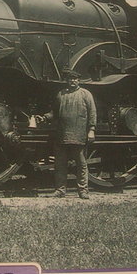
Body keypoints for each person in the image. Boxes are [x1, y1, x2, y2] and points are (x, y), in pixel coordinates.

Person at [44, 70, 96, 199]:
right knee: (60, 164)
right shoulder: (61, 94)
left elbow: (92, 113)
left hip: (79, 135)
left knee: (81, 164)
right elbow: (54, 112)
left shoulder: (86, 94)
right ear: (67, 81)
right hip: (62, 135)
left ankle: (83, 191)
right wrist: (45, 117)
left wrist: (92, 130)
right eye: (70, 79)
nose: (72, 81)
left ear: (79, 80)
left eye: (75, 79)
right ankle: (60, 190)